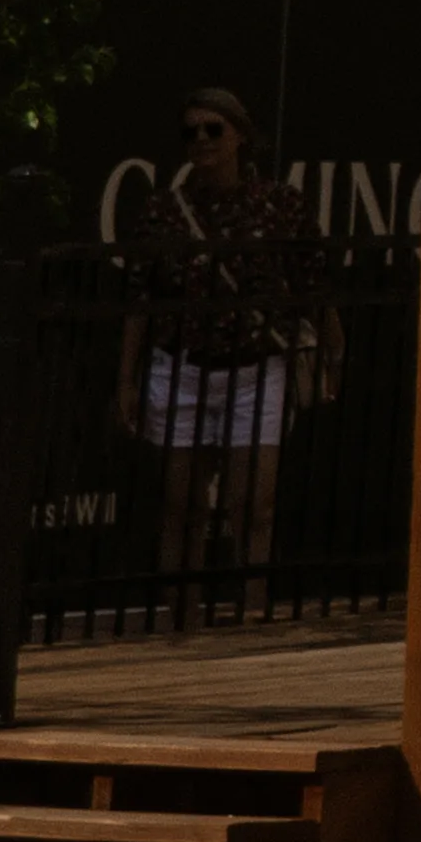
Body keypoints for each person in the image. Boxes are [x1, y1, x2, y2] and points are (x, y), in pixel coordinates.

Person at [132, 85, 333, 579]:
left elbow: (311, 281)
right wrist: (125, 378)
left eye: (213, 128)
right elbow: (139, 298)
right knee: (182, 506)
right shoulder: (164, 209)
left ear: (240, 135)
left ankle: (250, 615)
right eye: (191, 132)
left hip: (256, 368)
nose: (201, 139)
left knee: (254, 506)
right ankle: (181, 618)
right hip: (181, 367)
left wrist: (333, 350)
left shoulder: (278, 203)